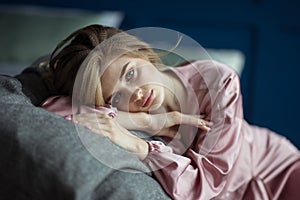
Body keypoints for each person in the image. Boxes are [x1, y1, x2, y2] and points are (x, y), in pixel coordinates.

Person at [40, 24, 300, 199]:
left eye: (131, 73)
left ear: (143, 53)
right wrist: (148, 123)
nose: (137, 94)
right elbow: (53, 110)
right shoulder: (129, 111)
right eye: (116, 96)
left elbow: (207, 186)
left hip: (274, 169)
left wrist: (143, 148)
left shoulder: (217, 81)